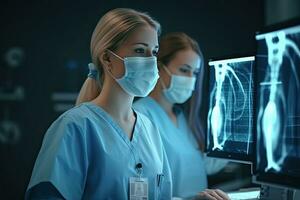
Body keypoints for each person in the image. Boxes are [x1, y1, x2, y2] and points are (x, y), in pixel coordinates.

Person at [25, 8, 172, 200]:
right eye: (139, 50)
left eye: (154, 52)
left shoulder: (149, 129)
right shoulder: (75, 126)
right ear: (107, 58)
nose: (151, 61)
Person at [76, 32, 229, 200]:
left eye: (195, 73)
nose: (190, 79)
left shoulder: (182, 118)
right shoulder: (138, 117)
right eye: (184, 70)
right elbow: (140, 189)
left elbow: (197, 165)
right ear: (158, 66)